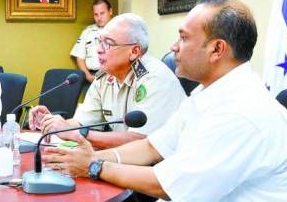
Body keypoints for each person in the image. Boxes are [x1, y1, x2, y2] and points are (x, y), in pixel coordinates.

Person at [42, 0, 287, 202]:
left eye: (184, 38)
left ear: (217, 49)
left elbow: (169, 186)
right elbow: (152, 146)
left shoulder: (241, 112)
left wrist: (94, 166)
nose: (173, 47)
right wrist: (90, 159)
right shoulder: (208, 92)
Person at [29, 13, 186, 149]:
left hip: (161, 169)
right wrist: (54, 124)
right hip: (125, 161)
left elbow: (141, 142)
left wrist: (75, 133)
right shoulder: (105, 76)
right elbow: (82, 123)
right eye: (99, 41)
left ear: (134, 51)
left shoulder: (155, 78)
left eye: (108, 43)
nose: (99, 49)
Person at [70, 0, 113, 84]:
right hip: (92, 77)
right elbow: (80, 58)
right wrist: (88, 76)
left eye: (102, 13)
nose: (99, 18)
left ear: (110, 11)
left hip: (113, 77)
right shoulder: (87, 31)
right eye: (96, 14)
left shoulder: (120, 30)